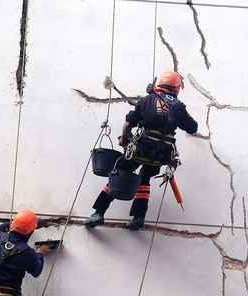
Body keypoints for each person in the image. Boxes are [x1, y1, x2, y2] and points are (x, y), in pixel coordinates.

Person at [84, 70, 198, 230]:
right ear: (176, 88)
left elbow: (128, 123)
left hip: (141, 150)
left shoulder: (147, 100)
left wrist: (124, 139)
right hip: (161, 155)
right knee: (144, 180)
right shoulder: (179, 107)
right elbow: (193, 127)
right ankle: (138, 217)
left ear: (159, 84)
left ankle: (99, 213)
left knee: (118, 173)